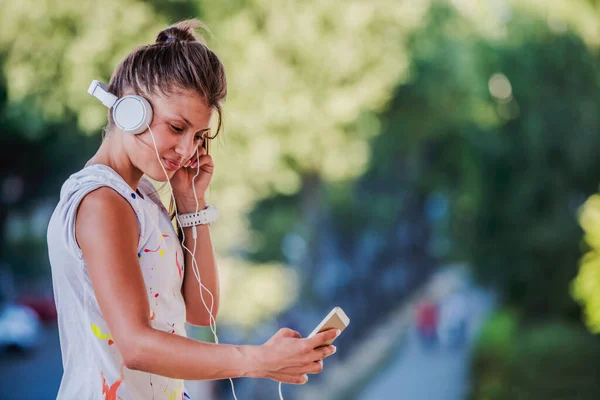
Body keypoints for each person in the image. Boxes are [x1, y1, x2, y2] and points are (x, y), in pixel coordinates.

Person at [47, 19, 339, 400]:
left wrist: (190, 203)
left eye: (198, 136)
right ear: (129, 111)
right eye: (176, 127)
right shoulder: (102, 202)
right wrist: (258, 360)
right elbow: (136, 346)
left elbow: (202, 312)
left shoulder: (143, 197)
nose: (187, 151)